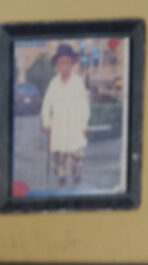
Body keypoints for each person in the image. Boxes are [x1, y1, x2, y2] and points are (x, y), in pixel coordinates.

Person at [39, 44, 94, 189]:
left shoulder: (78, 83)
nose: (65, 66)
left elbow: (84, 106)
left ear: (72, 64)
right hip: (59, 126)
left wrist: (84, 125)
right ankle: (61, 177)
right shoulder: (53, 84)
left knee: (77, 154)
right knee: (60, 155)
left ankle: (77, 176)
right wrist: (47, 121)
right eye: (62, 62)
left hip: (74, 125)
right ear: (57, 65)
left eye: (68, 62)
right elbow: (46, 106)